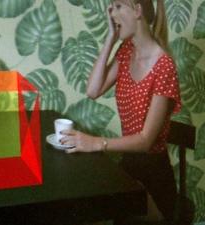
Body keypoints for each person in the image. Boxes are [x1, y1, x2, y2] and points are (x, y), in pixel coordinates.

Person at [60, 0, 181, 223]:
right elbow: (93, 90)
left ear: (137, 10)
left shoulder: (164, 65)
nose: (111, 13)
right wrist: (109, 39)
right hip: (130, 165)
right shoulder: (126, 51)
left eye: (117, 6)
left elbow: (145, 141)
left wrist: (96, 142)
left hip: (153, 174)